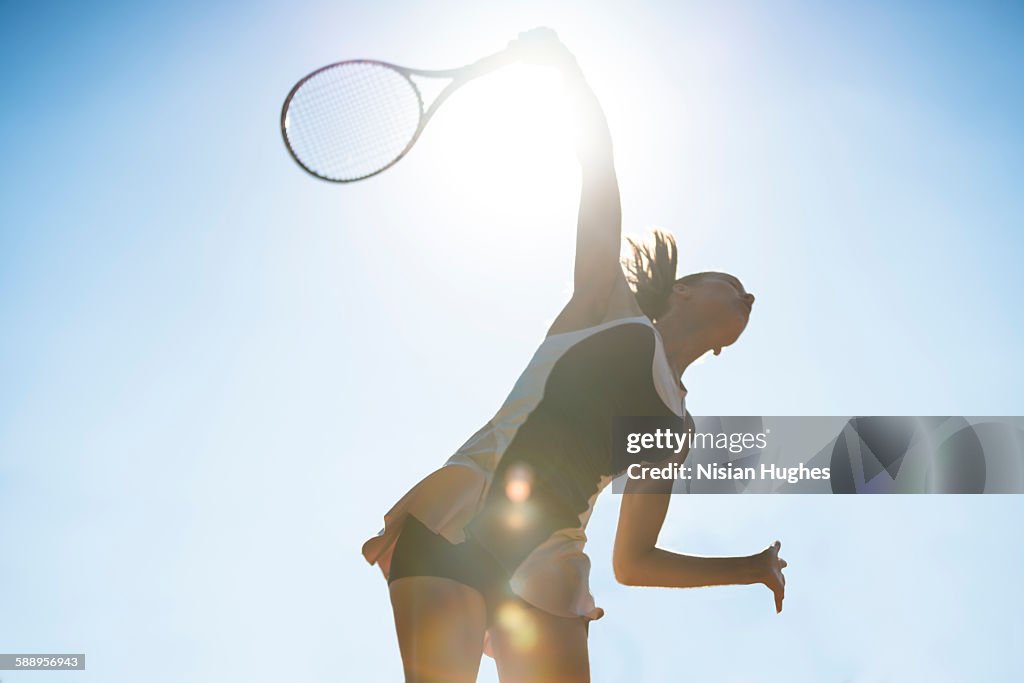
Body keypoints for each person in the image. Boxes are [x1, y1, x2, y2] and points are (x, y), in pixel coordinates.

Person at [361, 28, 788, 683]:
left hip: (549, 562)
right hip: (460, 521)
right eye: (730, 281)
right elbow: (598, 167)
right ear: (682, 291)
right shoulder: (604, 301)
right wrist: (568, 75)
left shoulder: (675, 429)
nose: (745, 292)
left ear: (724, 344)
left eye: (747, 296)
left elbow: (633, 560)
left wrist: (751, 566)